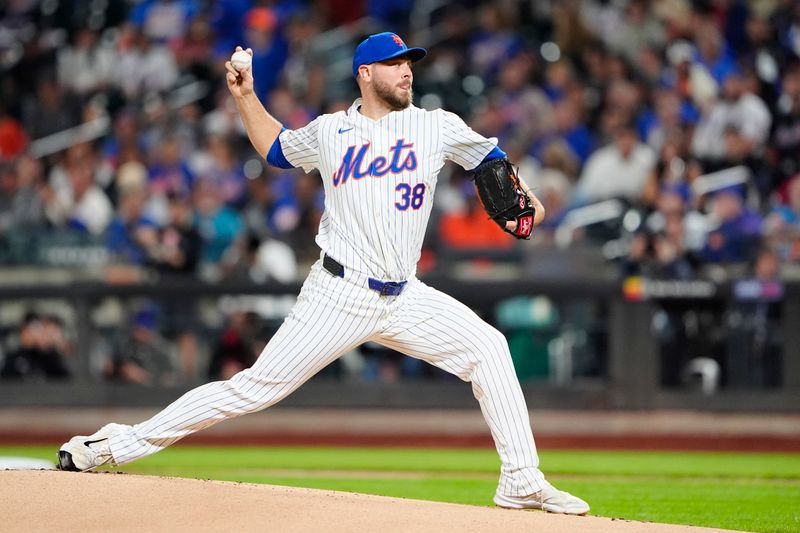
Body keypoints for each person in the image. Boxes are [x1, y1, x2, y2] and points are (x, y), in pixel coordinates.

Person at [57, 32, 588, 515]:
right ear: (364, 73)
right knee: (251, 390)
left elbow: (492, 161)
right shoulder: (332, 132)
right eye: (394, 63)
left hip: (405, 296)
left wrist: (527, 201)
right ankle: (116, 445)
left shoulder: (435, 125)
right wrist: (245, 96)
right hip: (338, 293)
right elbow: (276, 149)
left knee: (489, 349)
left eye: (409, 63)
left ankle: (520, 480)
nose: (406, 71)